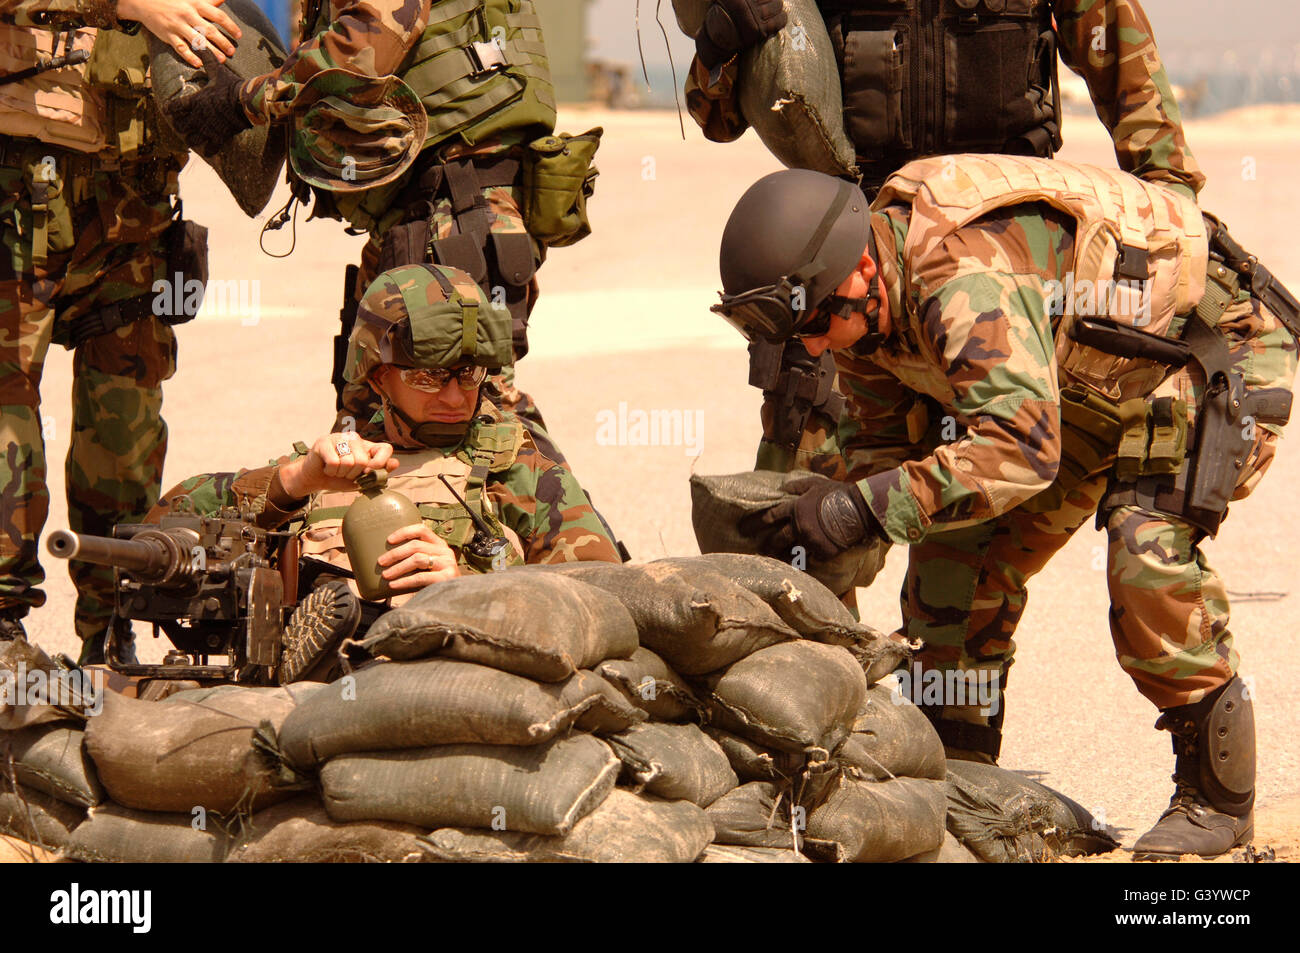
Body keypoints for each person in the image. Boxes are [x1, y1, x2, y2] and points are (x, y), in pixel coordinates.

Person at [711, 161, 1298, 860]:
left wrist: (860, 509)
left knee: (1146, 544)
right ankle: (959, 771)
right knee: (955, 557)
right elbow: (885, 454)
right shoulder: (863, 319)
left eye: (811, 322)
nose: (809, 345)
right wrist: (826, 515)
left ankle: (1217, 800)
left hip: (1212, 353)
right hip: (1082, 376)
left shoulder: (962, 280)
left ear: (860, 270)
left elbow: (1022, 451)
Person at [683, 0, 1206, 486]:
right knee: (806, 502)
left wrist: (1172, 216)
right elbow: (717, 117)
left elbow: (1118, 54)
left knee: (986, 502)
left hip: (1004, 265)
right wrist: (723, 40)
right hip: (849, 268)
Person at [160, 0, 594, 469]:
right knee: (377, 406)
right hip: (430, 205)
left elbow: (370, 41)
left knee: (474, 406)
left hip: (457, 203)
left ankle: (574, 539)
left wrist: (247, 99)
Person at [0, 0, 237, 658]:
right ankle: (2, 624)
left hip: (136, 199)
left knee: (126, 426)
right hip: (21, 183)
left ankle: (111, 624)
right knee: (6, 412)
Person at [150, 262, 621, 594]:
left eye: (469, 375)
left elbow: (601, 591)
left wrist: (468, 583)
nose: (456, 398)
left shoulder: (515, 460)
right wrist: (295, 482)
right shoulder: (340, 458)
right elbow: (159, 528)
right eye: (428, 377)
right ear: (379, 377)